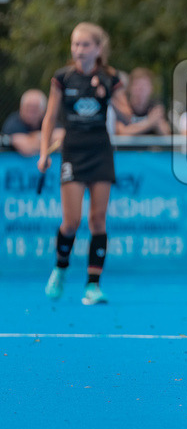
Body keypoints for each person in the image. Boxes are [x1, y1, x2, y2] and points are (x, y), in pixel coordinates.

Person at [39, 23, 132, 305]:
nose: (79, 50)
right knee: (71, 222)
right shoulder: (62, 78)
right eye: (75, 44)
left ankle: (93, 285)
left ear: (98, 49)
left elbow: (127, 118)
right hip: (73, 152)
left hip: (100, 151)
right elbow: (50, 117)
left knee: (97, 220)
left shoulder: (110, 78)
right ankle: (61, 267)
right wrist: (44, 152)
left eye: (85, 45)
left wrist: (107, 95)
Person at [3, 89, 62, 157]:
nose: (30, 113)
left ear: (43, 110)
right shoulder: (13, 123)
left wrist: (33, 138)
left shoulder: (47, 120)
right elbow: (27, 148)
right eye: (28, 108)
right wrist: (48, 137)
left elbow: (61, 138)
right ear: (21, 107)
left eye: (35, 109)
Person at [115, 68, 171, 136]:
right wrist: (150, 122)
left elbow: (166, 134)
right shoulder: (123, 107)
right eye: (138, 85)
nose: (141, 90)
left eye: (145, 85)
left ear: (151, 89)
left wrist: (159, 123)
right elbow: (122, 132)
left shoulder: (155, 107)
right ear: (130, 88)